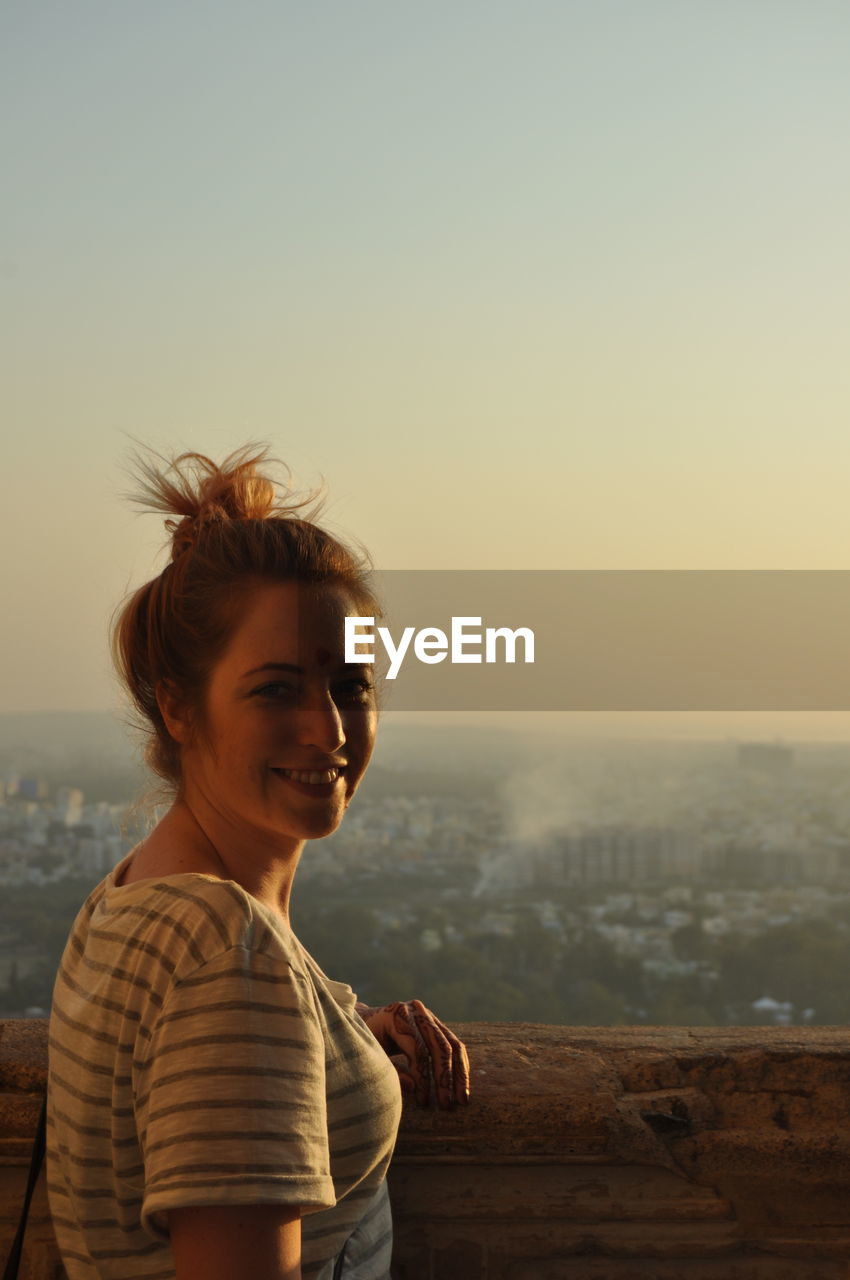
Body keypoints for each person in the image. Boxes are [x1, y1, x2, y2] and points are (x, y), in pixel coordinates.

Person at [46, 444, 470, 1280]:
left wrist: (336, 1036)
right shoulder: (223, 952)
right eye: (277, 689)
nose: (331, 730)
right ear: (178, 705)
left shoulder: (130, 897)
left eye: (352, 684)